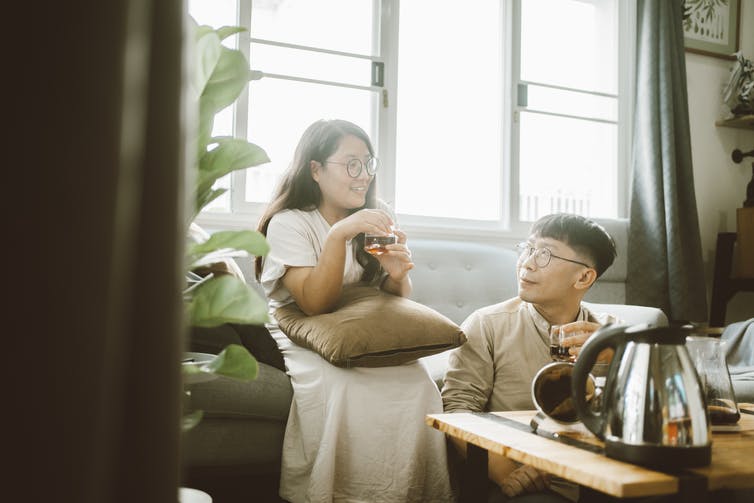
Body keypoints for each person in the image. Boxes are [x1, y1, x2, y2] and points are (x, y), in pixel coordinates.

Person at [256, 119, 454, 503]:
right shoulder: (290, 222)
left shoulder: (376, 212)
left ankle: (409, 494)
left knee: (419, 385)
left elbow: (392, 297)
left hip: (362, 323)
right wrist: (339, 234)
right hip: (305, 326)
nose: (363, 176)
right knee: (344, 386)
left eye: (368, 163)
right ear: (315, 169)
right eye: (351, 164)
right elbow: (315, 303)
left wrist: (398, 275)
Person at [441, 213, 620, 503]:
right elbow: (458, 410)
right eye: (528, 248)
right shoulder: (487, 324)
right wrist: (505, 472)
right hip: (526, 478)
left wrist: (619, 358)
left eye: (545, 254)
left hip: (603, 476)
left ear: (584, 276)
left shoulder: (612, 333)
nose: (527, 262)